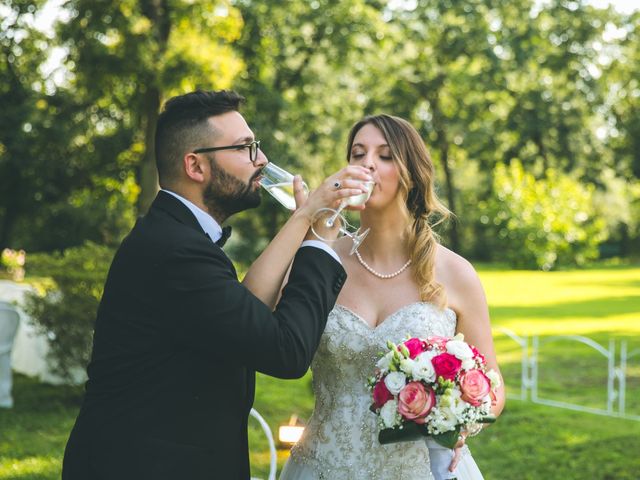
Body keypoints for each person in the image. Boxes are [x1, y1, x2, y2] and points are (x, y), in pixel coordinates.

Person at [61, 90, 373, 480]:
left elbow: (246, 308)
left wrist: (306, 218)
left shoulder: (174, 235)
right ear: (195, 166)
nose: (261, 160)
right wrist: (320, 244)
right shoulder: (176, 252)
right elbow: (286, 350)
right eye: (245, 148)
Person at [280, 114, 506, 480]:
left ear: (412, 175)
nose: (367, 163)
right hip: (322, 465)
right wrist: (305, 222)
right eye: (358, 153)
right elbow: (257, 307)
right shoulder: (319, 260)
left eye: (385, 155)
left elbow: (493, 385)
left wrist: (458, 422)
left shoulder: (455, 273)